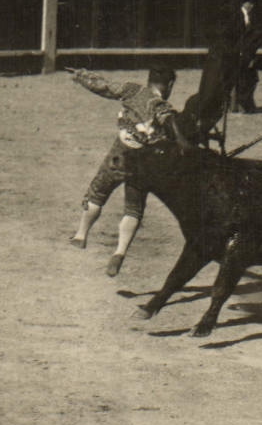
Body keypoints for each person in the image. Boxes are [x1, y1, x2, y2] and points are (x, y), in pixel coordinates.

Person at [68, 66, 189, 276]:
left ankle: (81, 234)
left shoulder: (132, 90)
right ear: (169, 85)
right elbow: (170, 124)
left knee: (97, 193)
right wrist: (183, 142)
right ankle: (120, 252)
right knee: (133, 209)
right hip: (142, 165)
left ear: (149, 79)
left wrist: (81, 76)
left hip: (118, 156)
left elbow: (103, 86)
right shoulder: (161, 107)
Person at [231, 0, 262, 115]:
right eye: (250, 3)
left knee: (246, 79)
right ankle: (240, 106)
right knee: (243, 79)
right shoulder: (237, 16)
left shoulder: (250, 17)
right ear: (245, 3)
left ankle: (240, 105)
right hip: (240, 52)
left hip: (247, 52)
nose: (252, 6)